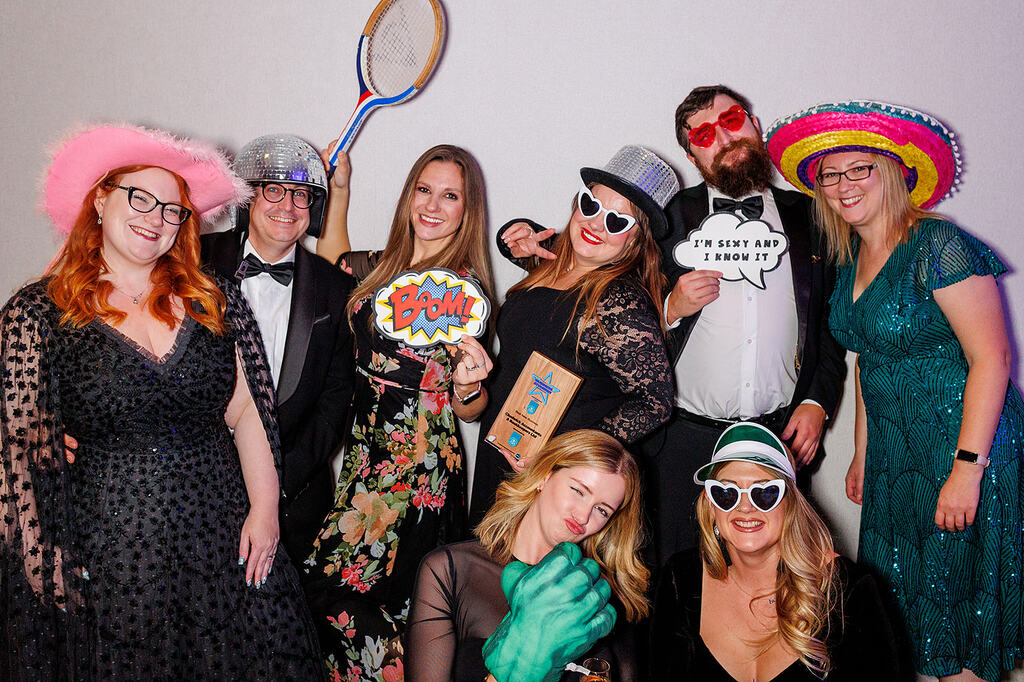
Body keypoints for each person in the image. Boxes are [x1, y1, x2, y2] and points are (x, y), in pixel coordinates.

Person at [0, 124, 323, 680]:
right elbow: (15, 444)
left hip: (220, 543)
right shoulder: (38, 312)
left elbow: (248, 410)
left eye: (173, 210)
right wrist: (36, 550)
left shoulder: (213, 299)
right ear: (100, 200)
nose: (156, 218)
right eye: (140, 198)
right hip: (108, 553)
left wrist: (265, 509)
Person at [500, 86, 847, 564]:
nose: (723, 138)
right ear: (691, 155)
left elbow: (832, 325)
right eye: (703, 135)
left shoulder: (812, 218)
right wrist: (670, 307)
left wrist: (817, 402)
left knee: (769, 574)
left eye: (732, 120)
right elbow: (594, 251)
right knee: (668, 572)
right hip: (680, 437)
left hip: (777, 436)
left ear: (753, 124)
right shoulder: (667, 219)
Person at [765, 101, 1023, 682]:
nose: (843, 185)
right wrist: (863, 452)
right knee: (906, 615)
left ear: (894, 172)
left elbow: (992, 359)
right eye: (830, 175)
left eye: (860, 169)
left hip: (960, 446)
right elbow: (868, 361)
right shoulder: (850, 256)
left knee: (959, 617)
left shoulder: (937, 244)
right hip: (896, 459)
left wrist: (967, 470)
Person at [304, 144, 495, 679]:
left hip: (419, 467)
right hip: (363, 456)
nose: (433, 205)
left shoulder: (464, 292)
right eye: (424, 189)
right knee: (332, 602)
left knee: (378, 607)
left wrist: (467, 387)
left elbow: (471, 410)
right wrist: (340, 188)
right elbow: (332, 261)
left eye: (450, 196)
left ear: (467, 210)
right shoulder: (374, 268)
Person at [470, 145, 675, 527]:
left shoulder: (619, 300)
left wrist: (569, 454)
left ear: (635, 241)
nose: (596, 224)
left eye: (617, 221)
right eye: (590, 205)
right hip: (502, 448)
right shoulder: (553, 265)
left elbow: (656, 403)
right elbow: (525, 259)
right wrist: (513, 234)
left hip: (553, 476)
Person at [201, 134, 356, 566]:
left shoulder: (337, 289)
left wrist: (275, 483)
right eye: (273, 189)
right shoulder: (191, 260)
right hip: (189, 489)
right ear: (248, 197)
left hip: (294, 504)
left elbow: (335, 403)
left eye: (300, 194)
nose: (287, 206)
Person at [651, 422, 904, 680]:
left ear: (790, 503)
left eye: (765, 492)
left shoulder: (848, 590)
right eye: (727, 493)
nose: (745, 507)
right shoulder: (679, 580)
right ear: (711, 504)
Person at [406, 429, 650, 681]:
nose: (582, 516)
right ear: (544, 476)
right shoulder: (451, 570)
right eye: (578, 491)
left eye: (601, 510)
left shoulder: (601, 595)